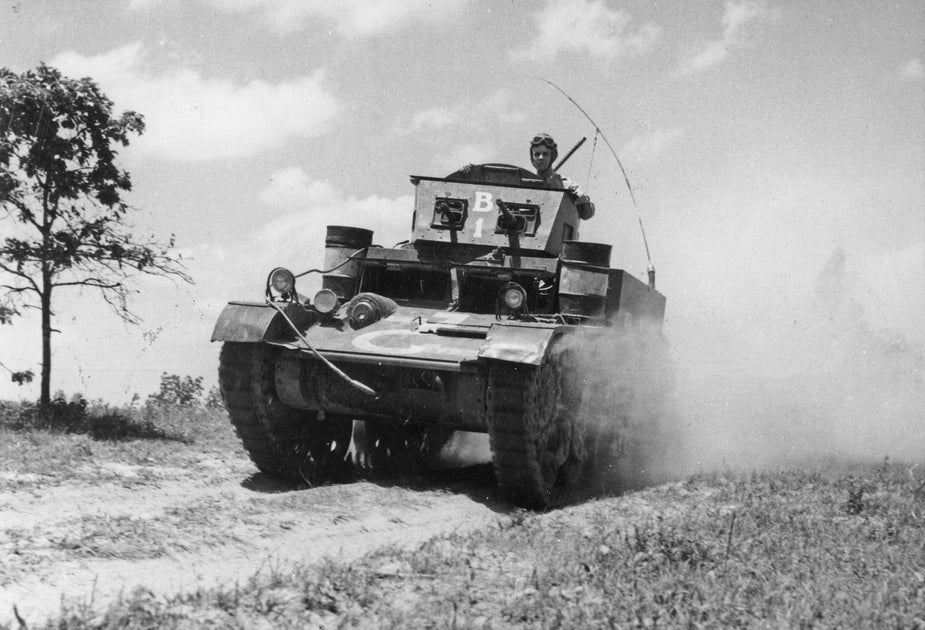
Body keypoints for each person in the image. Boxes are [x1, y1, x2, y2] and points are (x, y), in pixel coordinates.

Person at [529, 133, 594, 219]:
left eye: (545, 154)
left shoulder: (566, 185)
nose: (541, 157)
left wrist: (584, 201)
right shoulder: (524, 182)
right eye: (536, 154)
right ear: (532, 158)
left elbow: (587, 214)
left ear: (552, 156)